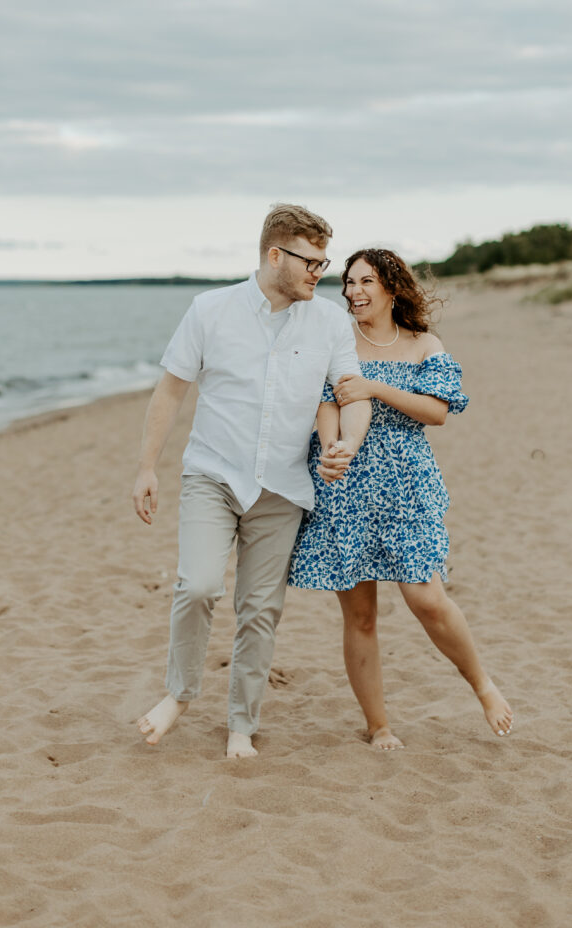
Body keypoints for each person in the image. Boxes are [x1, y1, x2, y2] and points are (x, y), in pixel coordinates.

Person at [133, 205, 371, 758]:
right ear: (274, 255)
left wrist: (348, 443)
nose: (320, 272)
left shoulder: (330, 321)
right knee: (196, 587)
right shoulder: (209, 310)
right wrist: (147, 467)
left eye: (324, 261)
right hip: (212, 475)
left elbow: (351, 390)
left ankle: (241, 725)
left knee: (260, 611)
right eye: (311, 261)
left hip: (283, 488)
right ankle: (180, 693)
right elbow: (170, 391)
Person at [288, 247, 513, 750]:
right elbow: (325, 402)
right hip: (344, 485)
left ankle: (483, 685)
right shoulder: (336, 340)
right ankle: (378, 724)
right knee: (360, 615)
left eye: (365, 282)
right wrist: (330, 449)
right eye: (348, 283)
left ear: (391, 288)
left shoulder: (422, 344)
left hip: (406, 488)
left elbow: (436, 412)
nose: (354, 292)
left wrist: (373, 386)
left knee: (427, 598)